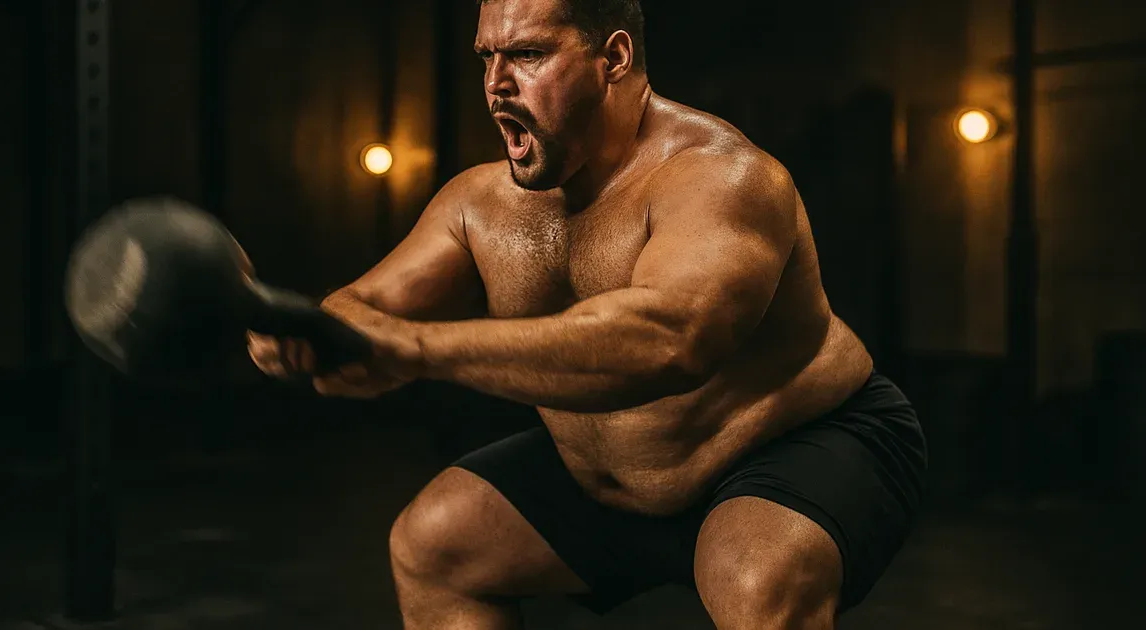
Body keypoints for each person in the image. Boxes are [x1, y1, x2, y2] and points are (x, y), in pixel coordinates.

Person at [248, 0, 928, 627]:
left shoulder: (723, 179)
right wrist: (309, 335)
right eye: (487, 56)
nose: (496, 84)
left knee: (756, 584)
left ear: (615, 58)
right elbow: (364, 307)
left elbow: (670, 342)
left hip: (793, 445)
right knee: (434, 545)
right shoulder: (478, 205)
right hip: (606, 481)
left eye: (529, 55)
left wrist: (418, 351)